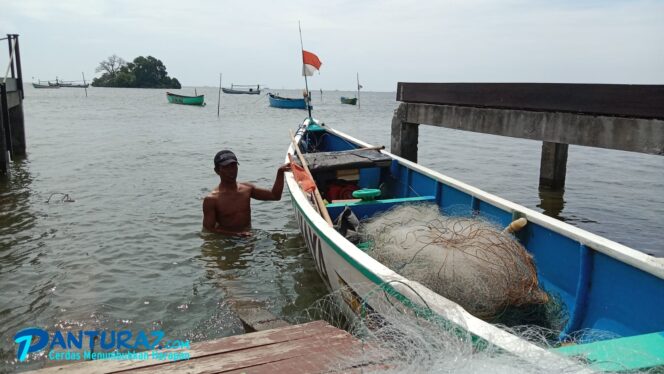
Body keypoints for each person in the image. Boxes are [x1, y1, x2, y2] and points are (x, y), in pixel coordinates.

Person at [203, 150, 290, 237]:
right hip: (226, 240)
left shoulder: (247, 189)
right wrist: (236, 235)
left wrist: (280, 172)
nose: (231, 170)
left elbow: (275, 196)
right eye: (226, 167)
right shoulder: (211, 199)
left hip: (247, 237)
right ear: (217, 171)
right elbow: (208, 230)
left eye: (233, 166)